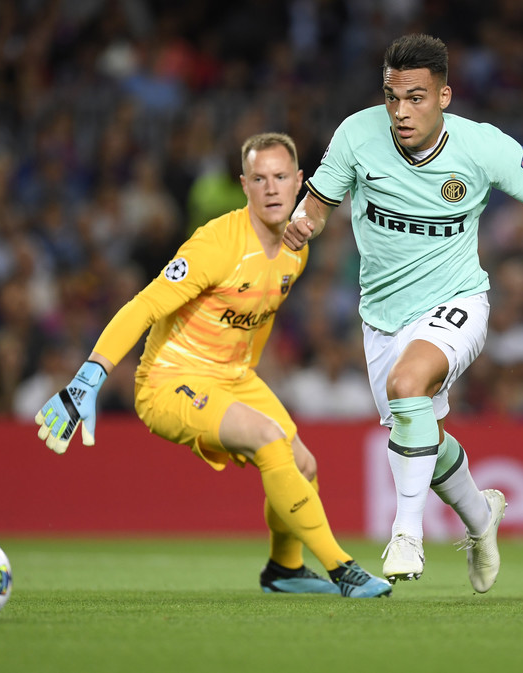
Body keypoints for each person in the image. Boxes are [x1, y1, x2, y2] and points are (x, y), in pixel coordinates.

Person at [283, 34, 523, 592]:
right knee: (420, 436)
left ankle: (405, 534)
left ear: (445, 96)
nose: (401, 112)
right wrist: (300, 223)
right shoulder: (355, 136)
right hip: (381, 315)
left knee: (410, 385)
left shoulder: (482, 147)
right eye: (392, 97)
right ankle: (481, 519)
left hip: (457, 300)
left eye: (416, 98)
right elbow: (316, 205)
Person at [35, 132, 391, 599]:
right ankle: (343, 568)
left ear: (300, 182)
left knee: (303, 466)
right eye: (259, 179)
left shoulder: (297, 248)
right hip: (170, 382)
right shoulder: (215, 245)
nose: (270, 188)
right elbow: (144, 306)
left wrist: (244, 370)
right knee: (269, 440)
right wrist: (90, 376)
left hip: (235, 377)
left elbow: (255, 318)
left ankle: (284, 570)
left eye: (281, 177)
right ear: (243, 185)